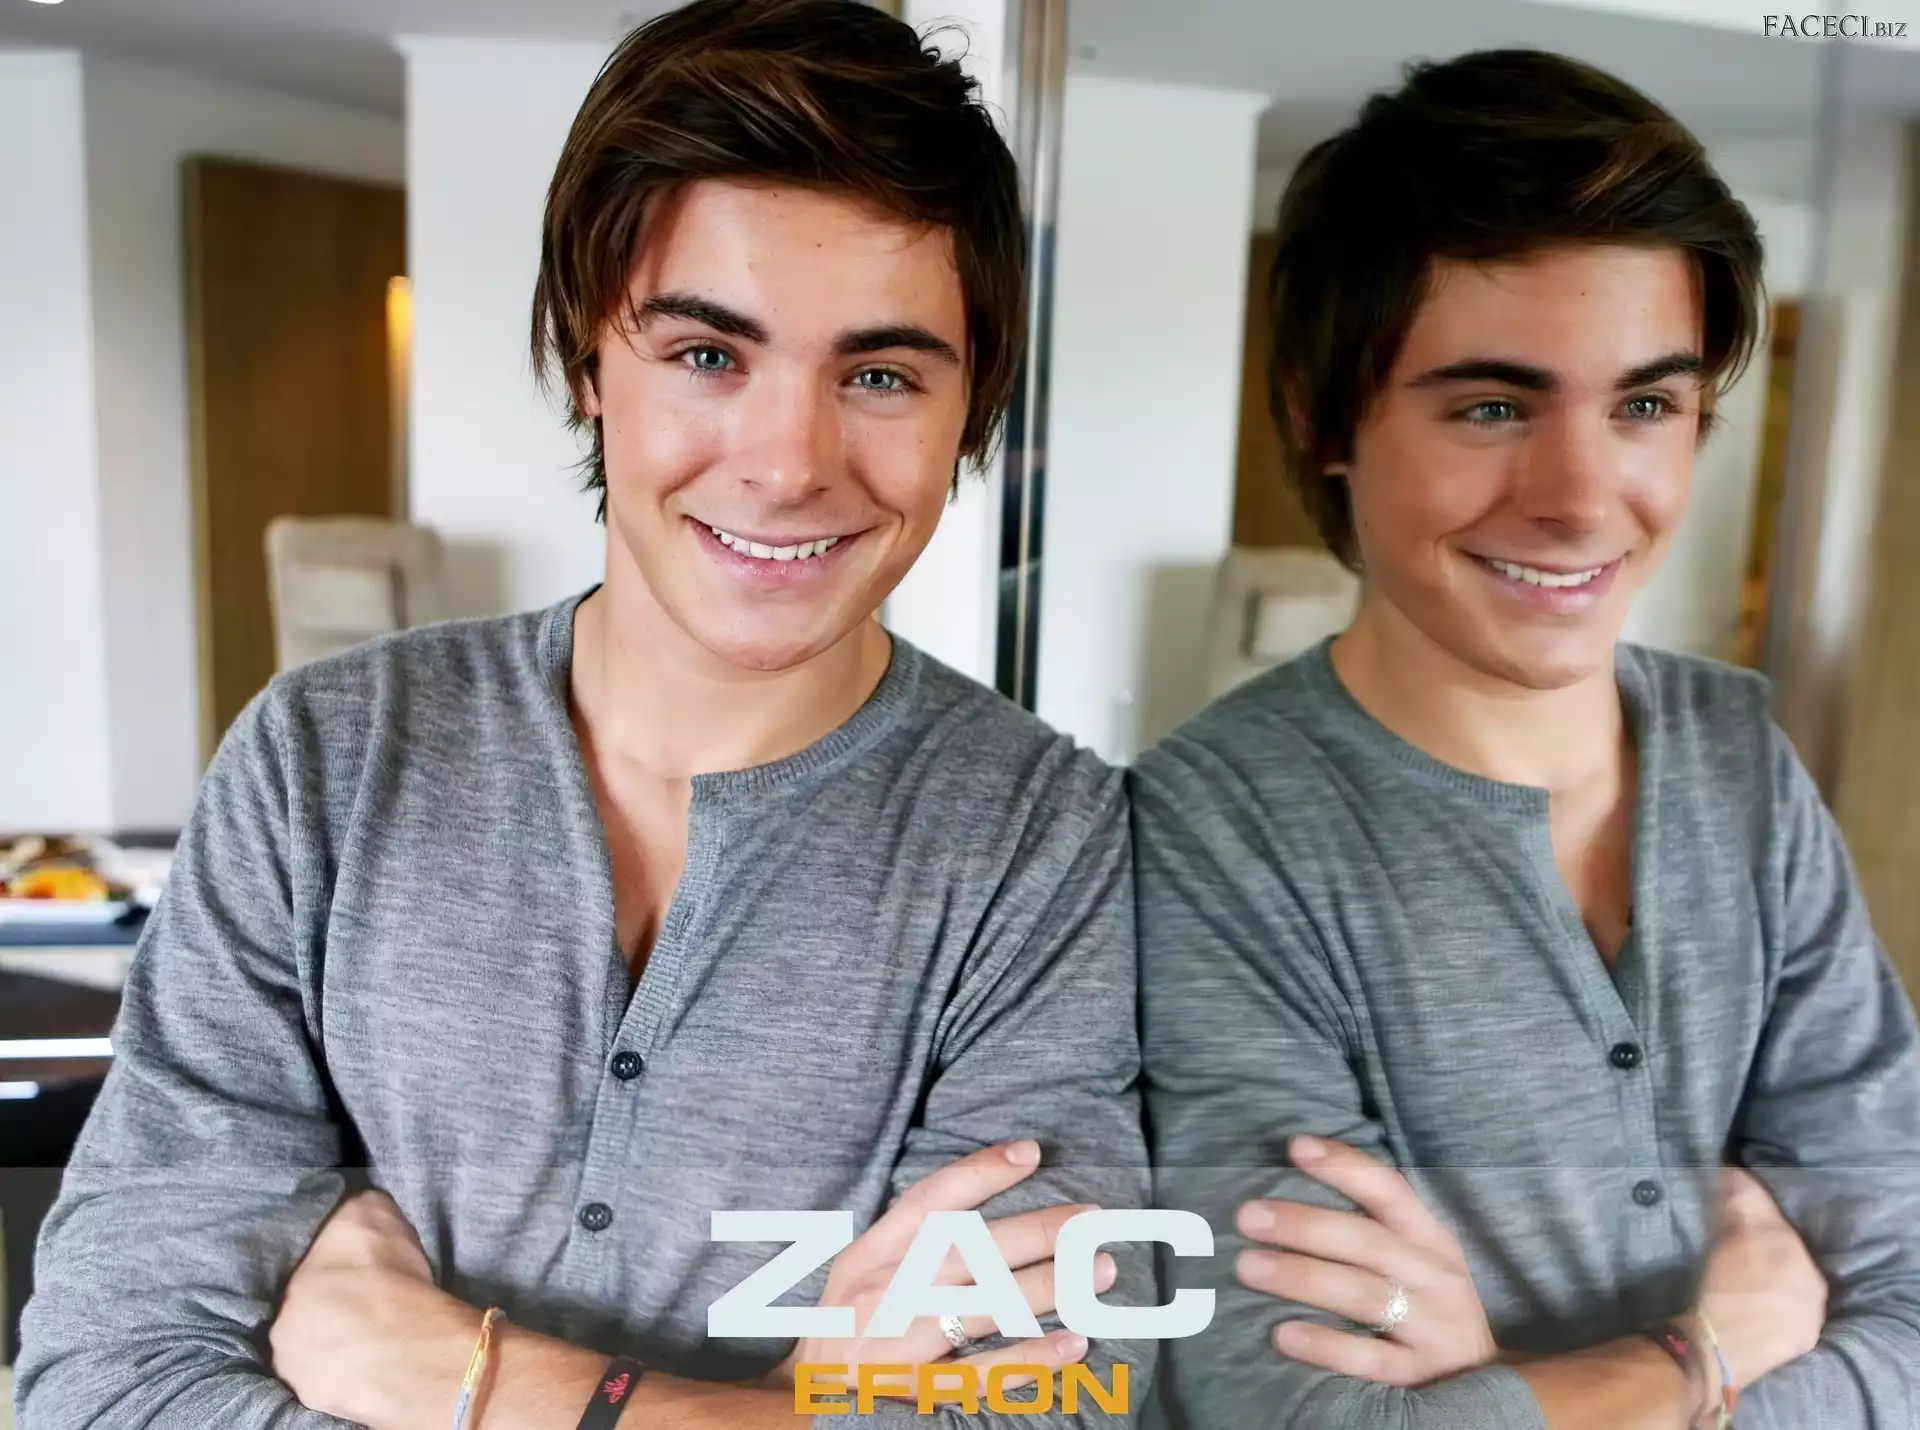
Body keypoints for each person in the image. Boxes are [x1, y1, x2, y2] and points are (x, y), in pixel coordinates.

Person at [15, 3, 1153, 1426]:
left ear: (968, 407)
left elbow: (1046, 1404)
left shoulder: (1045, 839)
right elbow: (104, 1379)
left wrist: (466, 1373)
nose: (790, 464)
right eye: (707, 354)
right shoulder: (325, 761)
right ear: (583, 359)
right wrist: (785, 1408)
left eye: (879, 375)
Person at [1135, 49, 1920, 1430]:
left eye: (1646, 405)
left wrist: (1510, 1387)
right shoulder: (1209, 833)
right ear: (1324, 419)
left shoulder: (1740, 754)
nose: (1580, 498)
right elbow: (1299, 1417)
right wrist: (1702, 1354)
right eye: (1492, 406)